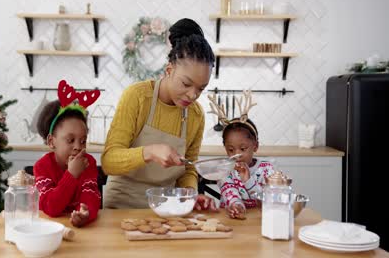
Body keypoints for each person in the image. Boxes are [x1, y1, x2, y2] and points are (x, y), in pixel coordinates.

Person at [102, 18, 217, 210]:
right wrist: (149, 152)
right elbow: (109, 161)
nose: (193, 95)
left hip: (166, 208)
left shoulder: (196, 115)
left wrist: (189, 194)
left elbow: (188, 169)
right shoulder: (138, 97)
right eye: (186, 84)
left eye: (201, 88)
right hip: (121, 207)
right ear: (169, 70)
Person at [34, 80, 101, 227]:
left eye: (83, 141)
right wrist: (72, 175)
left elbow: (91, 196)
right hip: (48, 228)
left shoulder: (88, 162)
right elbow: (51, 208)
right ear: (52, 141)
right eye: (70, 140)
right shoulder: (42, 166)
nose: (78, 147)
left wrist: (85, 213)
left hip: (80, 230)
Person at [213, 91, 275, 219]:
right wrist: (237, 206)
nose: (237, 155)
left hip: (259, 221)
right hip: (232, 219)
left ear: (255, 146)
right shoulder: (224, 169)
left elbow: (268, 201)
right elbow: (230, 192)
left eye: (243, 148)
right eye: (231, 149)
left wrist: (248, 181)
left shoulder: (267, 170)